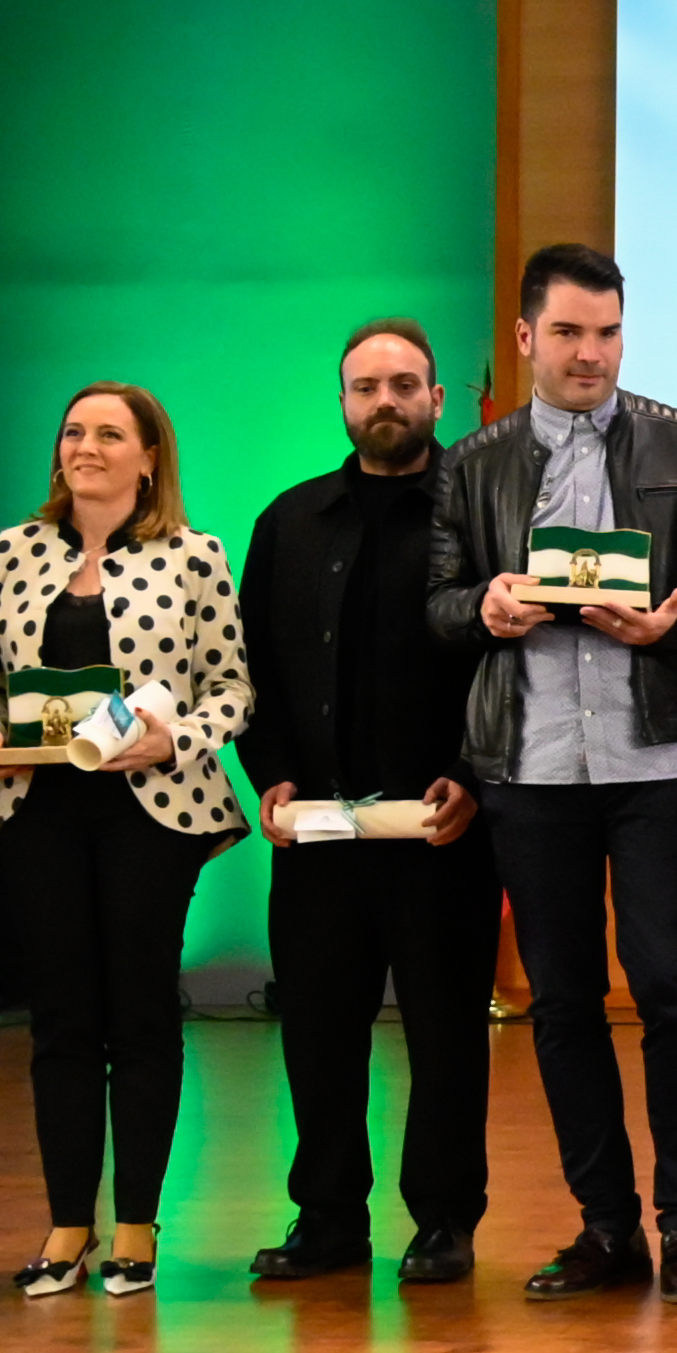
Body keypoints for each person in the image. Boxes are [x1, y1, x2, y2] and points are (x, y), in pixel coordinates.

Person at [428, 242, 677, 1306]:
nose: (590, 354)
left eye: (607, 333)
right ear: (526, 335)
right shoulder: (473, 462)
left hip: (653, 755)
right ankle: (606, 1227)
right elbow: (437, 602)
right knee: (563, 1001)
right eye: (568, 332)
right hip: (529, 764)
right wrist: (485, 607)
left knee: (673, 987)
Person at [0, 382, 255, 1300]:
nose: (85, 447)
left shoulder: (196, 557)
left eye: (109, 434)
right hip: (36, 812)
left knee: (140, 1014)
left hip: (151, 813)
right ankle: (66, 1225)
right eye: (73, 432)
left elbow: (233, 690)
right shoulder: (12, 552)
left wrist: (177, 739)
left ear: (149, 457)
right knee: (59, 1020)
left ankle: (136, 1225)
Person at [236, 319, 492, 1287]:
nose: (385, 401)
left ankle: (445, 1220)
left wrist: (473, 773)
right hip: (318, 832)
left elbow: (507, 667)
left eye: (404, 385)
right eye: (366, 387)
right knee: (317, 1031)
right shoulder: (290, 521)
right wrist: (268, 773)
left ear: (436, 399)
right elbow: (251, 668)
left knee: (447, 1034)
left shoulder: (479, 518)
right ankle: (329, 1217)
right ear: (343, 402)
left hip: (443, 829)